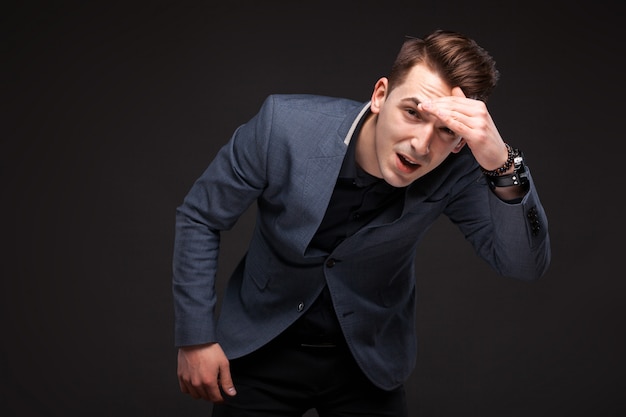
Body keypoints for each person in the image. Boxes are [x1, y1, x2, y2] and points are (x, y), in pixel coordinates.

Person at [172, 29, 551, 416]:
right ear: (380, 96)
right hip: (260, 346)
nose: (421, 145)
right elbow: (201, 215)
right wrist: (195, 338)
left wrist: (501, 162)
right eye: (412, 112)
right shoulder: (283, 126)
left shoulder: (460, 170)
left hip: (368, 361)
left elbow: (522, 264)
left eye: (446, 131)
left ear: (459, 143)